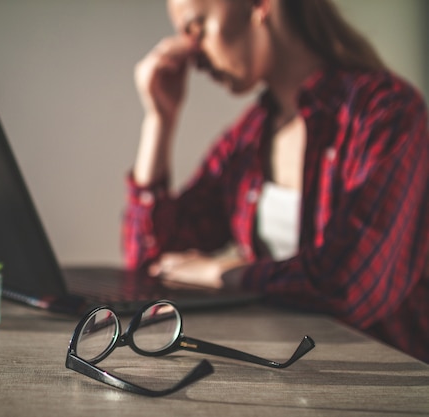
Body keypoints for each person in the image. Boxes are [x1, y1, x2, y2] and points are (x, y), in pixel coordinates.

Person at [123, 0, 429, 363]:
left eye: (195, 26)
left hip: (386, 382)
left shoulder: (386, 112)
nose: (191, 53)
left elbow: (350, 286)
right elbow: (150, 262)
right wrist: (159, 120)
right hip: (285, 374)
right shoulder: (249, 138)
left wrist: (226, 274)